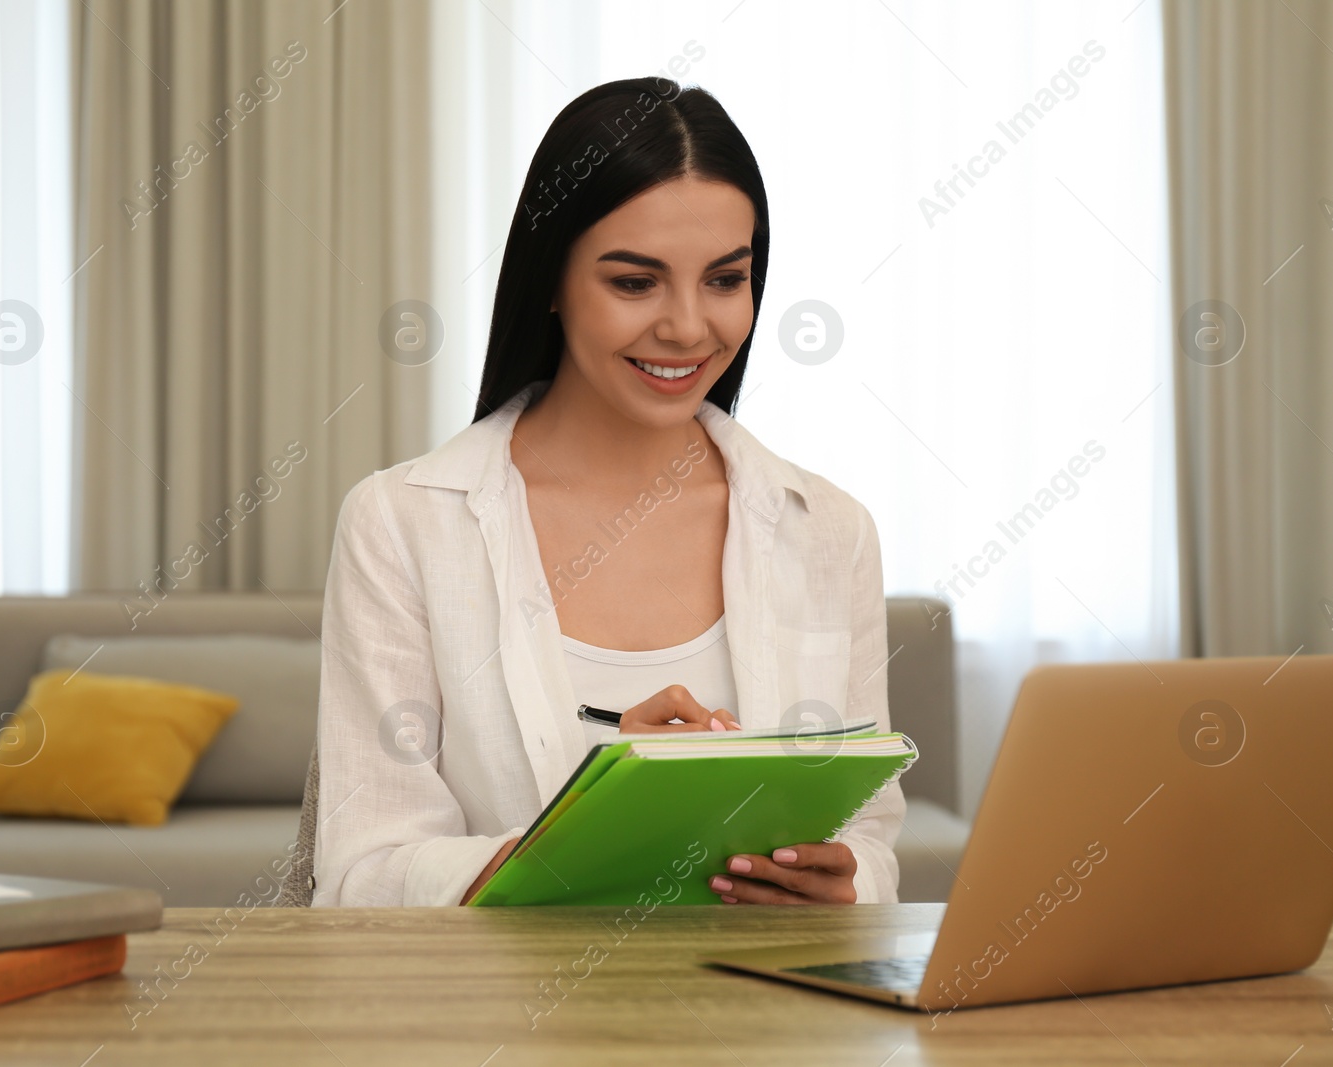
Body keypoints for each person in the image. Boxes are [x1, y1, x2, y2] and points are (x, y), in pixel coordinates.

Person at [311, 76, 905, 907]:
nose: (689, 327)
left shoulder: (829, 531)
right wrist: (596, 823)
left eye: (726, 279)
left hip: (760, 1030)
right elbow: (362, 872)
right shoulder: (402, 523)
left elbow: (871, 839)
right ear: (550, 281)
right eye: (635, 282)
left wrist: (846, 883)